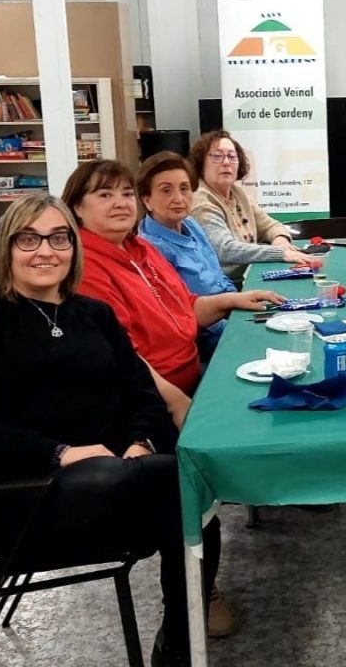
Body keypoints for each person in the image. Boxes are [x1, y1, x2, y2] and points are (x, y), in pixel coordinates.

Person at [0, 194, 219, 666]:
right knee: (182, 485)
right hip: (23, 495)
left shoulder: (93, 314)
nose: (45, 250)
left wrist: (140, 441)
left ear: (73, 247)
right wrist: (58, 452)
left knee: (190, 497)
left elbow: (140, 392)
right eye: (29, 239)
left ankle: (178, 644)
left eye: (58, 238)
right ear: (7, 246)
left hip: (111, 479)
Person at [61, 159, 284, 639]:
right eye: (104, 195)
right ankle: (194, 595)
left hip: (189, 374)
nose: (120, 203)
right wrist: (177, 401)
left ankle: (273, 487)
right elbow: (124, 358)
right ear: (77, 208)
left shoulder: (141, 248)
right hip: (148, 400)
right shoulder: (87, 268)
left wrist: (233, 300)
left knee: (275, 385)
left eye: (125, 193)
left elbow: (186, 311)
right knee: (187, 495)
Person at [137, 151, 237, 361]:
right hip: (206, 340)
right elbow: (183, 316)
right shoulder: (150, 249)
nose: (178, 199)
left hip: (231, 314)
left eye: (184, 188)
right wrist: (235, 322)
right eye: (166, 190)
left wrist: (239, 306)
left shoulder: (190, 224)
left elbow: (218, 275)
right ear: (147, 201)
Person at [188, 130, 309, 282]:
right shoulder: (201, 200)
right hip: (225, 285)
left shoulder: (238, 193)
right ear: (201, 164)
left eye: (232, 156)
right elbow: (225, 249)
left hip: (249, 275)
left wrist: (280, 240)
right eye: (217, 156)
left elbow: (270, 226)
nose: (226, 162)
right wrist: (280, 253)